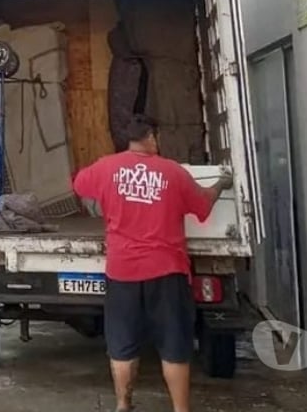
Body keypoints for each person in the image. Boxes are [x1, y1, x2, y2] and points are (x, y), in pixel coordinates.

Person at [72, 114, 232, 412]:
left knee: (121, 345)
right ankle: (181, 409)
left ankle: (123, 404)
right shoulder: (173, 172)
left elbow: (80, 185)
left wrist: (106, 194)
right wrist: (220, 185)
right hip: (166, 270)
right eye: (155, 137)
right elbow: (202, 208)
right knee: (174, 347)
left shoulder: (107, 167)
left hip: (123, 272)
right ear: (150, 137)